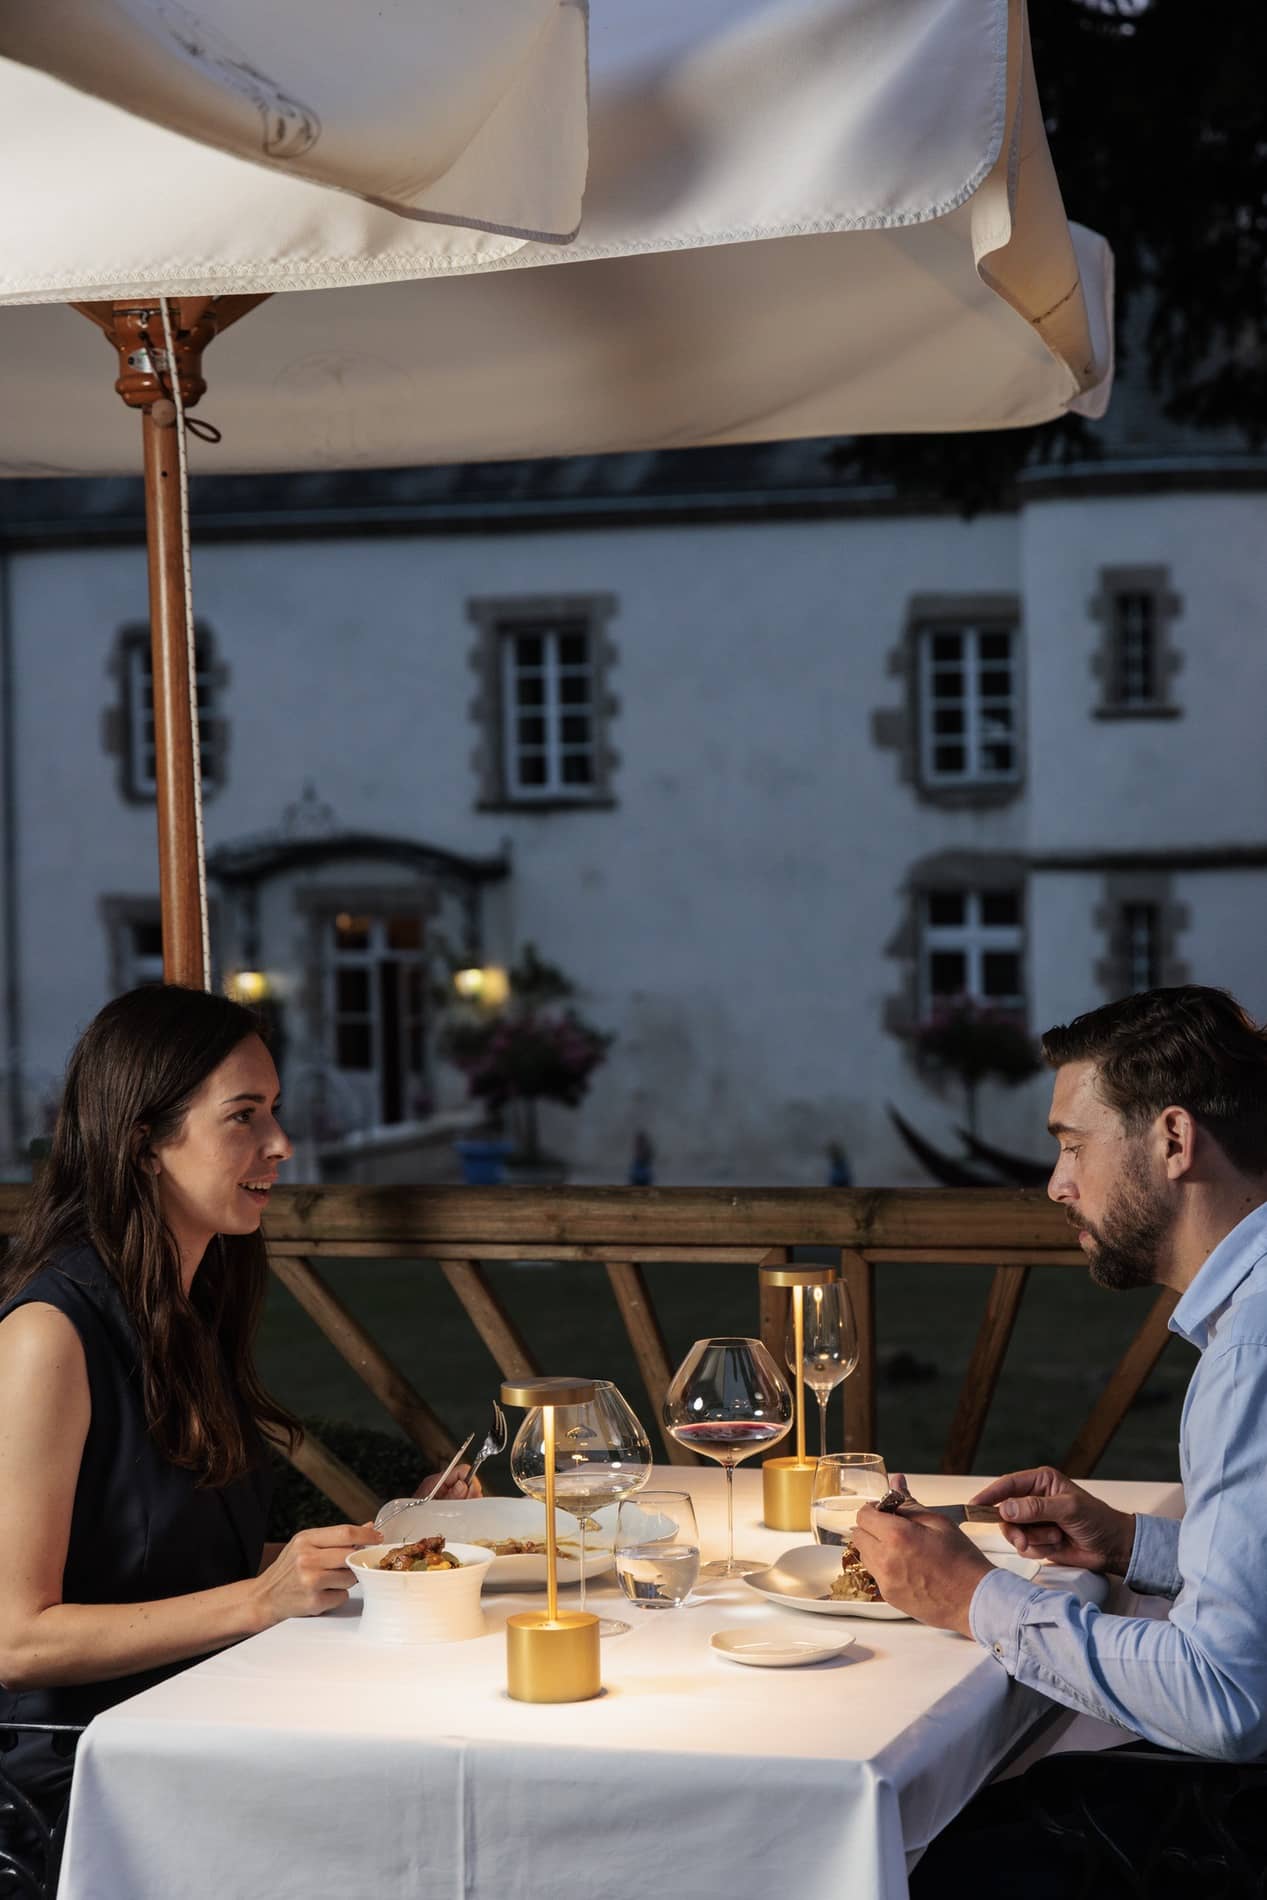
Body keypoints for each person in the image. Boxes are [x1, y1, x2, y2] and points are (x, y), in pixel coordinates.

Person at [0, 985, 472, 1850]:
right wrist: (261, 1599)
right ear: (143, 1143)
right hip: (90, 1781)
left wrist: (383, 1546)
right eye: (243, 1117)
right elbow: (15, 1639)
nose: (281, 1145)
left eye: (276, 1112)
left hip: (209, 1711)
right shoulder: (47, 1337)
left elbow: (174, 1566)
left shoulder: (186, 1310)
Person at [852, 985, 1267, 1885]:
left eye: (1072, 1146)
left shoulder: (1252, 1349)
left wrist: (969, 1598)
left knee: (937, 1853)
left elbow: (1228, 1698)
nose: (1056, 1185)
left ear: (1171, 1140)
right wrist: (1132, 1544)